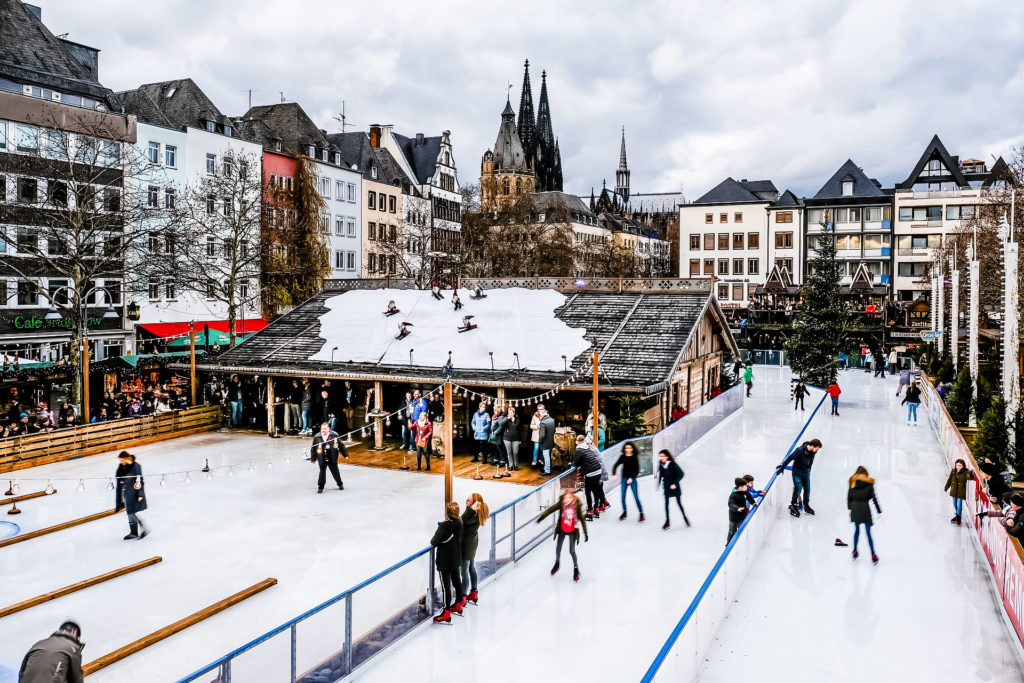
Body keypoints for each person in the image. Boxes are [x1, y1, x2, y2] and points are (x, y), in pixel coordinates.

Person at [537, 490, 588, 582]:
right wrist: (542, 517)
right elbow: (551, 509)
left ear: (572, 498)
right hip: (562, 530)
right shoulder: (561, 503)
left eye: (568, 498)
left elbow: (582, 519)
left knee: (572, 551)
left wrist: (585, 532)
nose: (565, 500)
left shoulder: (576, 506)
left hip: (572, 531)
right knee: (558, 548)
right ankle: (557, 563)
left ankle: (576, 569)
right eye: (564, 498)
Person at [18, 620, 84, 683]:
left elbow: (22, 672)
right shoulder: (72, 647)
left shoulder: (38, 644)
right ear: (74, 632)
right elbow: (77, 678)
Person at [430, 501, 463, 623]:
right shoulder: (460, 523)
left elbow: (434, 542)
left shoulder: (444, 527)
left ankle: (446, 612)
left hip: (445, 561)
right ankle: (458, 604)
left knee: (446, 586)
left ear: (447, 513)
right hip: (456, 558)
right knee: (457, 581)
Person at [777, 438, 822, 517]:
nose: (817, 451)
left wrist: (808, 471)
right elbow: (789, 458)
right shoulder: (799, 451)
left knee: (807, 490)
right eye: (817, 449)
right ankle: (793, 505)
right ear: (812, 446)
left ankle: (806, 505)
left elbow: (810, 462)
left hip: (806, 473)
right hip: (797, 473)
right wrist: (782, 467)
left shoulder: (813, 452)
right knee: (798, 488)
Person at [848, 466, 882, 564]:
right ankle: (873, 554)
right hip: (865, 509)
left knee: (857, 531)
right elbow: (874, 499)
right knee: (868, 533)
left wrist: (850, 509)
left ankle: (854, 551)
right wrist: (879, 511)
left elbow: (849, 497)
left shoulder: (852, 482)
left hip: (855, 508)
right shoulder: (869, 483)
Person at [460, 493, 488, 606]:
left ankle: (462, 597)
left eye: (469, 500)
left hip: (467, 545)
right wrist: (470, 509)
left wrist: (470, 509)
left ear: (475, 503)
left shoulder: (473, 515)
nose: (466, 500)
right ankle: (474, 592)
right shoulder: (474, 513)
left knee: (464, 571)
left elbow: (460, 522)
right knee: (471, 567)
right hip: (472, 543)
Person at [114, 451, 148, 540]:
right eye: (120, 460)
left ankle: (144, 527)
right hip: (126, 493)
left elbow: (140, 481)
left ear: (127, 458)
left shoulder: (136, 466)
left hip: (134, 493)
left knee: (131, 511)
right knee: (129, 512)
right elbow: (119, 480)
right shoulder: (121, 467)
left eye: (122, 459)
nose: (121, 461)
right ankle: (134, 532)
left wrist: (140, 494)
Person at [310, 421, 347, 493]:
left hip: (332, 456)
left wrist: (345, 454)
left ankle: (340, 484)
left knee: (335, 471)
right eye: (322, 428)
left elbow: (341, 445)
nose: (323, 430)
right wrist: (313, 458)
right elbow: (313, 448)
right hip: (321, 456)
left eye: (325, 428)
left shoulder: (334, 435)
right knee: (322, 472)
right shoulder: (317, 437)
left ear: (328, 429)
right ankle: (320, 487)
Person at [574, 435, 605, 520]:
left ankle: (590, 511)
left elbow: (576, 463)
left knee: (588, 492)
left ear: (577, 441)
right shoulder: (587, 447)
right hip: (598, 470)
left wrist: (574, 464)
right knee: (595, 490)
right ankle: (596, 509)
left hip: (590, 473)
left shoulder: (578, 449)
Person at [613, 441, 645, 522]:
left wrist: (631, 478)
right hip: (624, 479)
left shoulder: (634, 457)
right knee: (622, 498)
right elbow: (615, 465)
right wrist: (614, 474)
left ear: (632, 449)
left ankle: (641, 513)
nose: (628, 449)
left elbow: (637, 470)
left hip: (632, 480)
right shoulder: (623, 456)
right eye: (626, 448)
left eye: (629, 448)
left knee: (636, 498)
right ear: (624, 449)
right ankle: (624, 512)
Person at [657, 449, 689, 530]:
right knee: (666, 504)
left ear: (667, 456)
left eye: (663, 456)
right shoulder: (660, 464)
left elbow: (681, 474)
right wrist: (659, 483)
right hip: (667, 486)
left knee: (679, 503)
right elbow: (661, 474)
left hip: (675, 487)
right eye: (660, 456)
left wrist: (674, 483)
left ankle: (685, 517)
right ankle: (667, 521)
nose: (661, 458)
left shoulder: (673, 464)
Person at [944, 458, 975, 525]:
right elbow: (949, 480)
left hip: (961, 491)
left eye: (960, 465)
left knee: (959, 504)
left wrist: (971, 472)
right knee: (955, 504)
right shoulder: (953, 471)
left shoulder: (965, 472)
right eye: (957, 465)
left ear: (963, 465)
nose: (958, 467)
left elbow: (970, 478)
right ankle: (957, 516)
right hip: (954, 490)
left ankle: (958, 519)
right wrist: (946, 487)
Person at [728, 477, 756, 544]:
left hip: (742, 516)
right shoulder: (733, 495)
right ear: (740, 487)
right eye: (745, 486)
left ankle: (741, 542)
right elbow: (730, 504)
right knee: (732, 531)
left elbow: (749, 496)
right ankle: (728, 544)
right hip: (734, 518)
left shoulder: (745, 492)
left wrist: (753, 502)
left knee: (742, 529)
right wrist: (737, 508)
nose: (747, 487)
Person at [537, 405, 556, 475]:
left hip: (545, 442)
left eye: (540, 414)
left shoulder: (543, 423)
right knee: (548, 456)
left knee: (546, 456)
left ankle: (547, 471)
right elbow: (554, 430)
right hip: (550, 441)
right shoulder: (552, 420)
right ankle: (546, 468)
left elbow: (542, 435)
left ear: (542, 414)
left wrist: (540, 440)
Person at [503, 405, 522, 471]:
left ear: (514, 413)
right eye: (509, 412)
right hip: (507, 438)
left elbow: (519, 430)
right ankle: (511, 465)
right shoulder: (506, 418)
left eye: (511, 412)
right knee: (509, 452)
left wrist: (520, 439)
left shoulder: (517, 419)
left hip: (516, 438)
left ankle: (516, 465)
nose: (509, 413)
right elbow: (501, 424)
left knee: (515, 452)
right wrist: (508, 418)